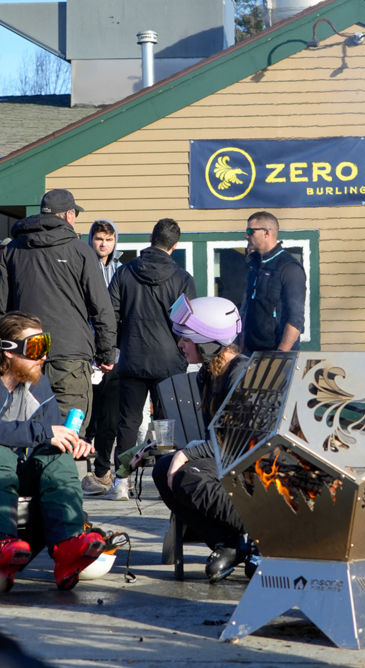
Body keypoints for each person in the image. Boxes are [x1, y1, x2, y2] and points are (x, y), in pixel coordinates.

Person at [0, 311, 107, 591]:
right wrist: (44, 433)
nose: (43, 356)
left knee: (56, 457)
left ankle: (68, 546)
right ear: (8, 351)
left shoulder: (38, 384)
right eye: (36, 348)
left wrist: (74, 441)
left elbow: (52, 431)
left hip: (8, 475)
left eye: (45, 346)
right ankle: (0, 541)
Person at [0, 188, 117, 441]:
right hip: (70, 354)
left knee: (26, 429)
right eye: (75, 214)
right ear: (68, 215)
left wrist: (1, 350)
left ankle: (27, 479)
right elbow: (101, 308)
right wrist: (106, 353)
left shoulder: (13, 250)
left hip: (26, 352)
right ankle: (65, 480)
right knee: (71, 433)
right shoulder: (80, 251)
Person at [152, 294, 254, 583]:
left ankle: (260, 531)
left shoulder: (240, 374)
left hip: (250, 464)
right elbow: (214, 436)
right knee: (163, 469)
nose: (181, 345)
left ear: (207, 343)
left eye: (186, 339)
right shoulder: (207, 374)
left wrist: (187, 454)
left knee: (186, 474)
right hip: (226, 458)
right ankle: (229, 543)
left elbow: (235, 439)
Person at [107, 218, 196, 500]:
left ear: (150, 237)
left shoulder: (124, 272)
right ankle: (164, 478)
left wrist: (114, 347)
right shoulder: (182, 278)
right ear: (175, 245)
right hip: (170, 360)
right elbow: (187, 323)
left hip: (133, 356)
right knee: (166, 422)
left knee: (128, 422)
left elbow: (110, 315)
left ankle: (121, 481)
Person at [81, 219, 123, 496]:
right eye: (99, 238)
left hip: (113, 352)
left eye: (108, 239)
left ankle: (102, 469)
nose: (103, 244)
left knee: (109, 415)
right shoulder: (82, 264)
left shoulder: (120, 271)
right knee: (85, 414)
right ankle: (77, 467)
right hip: (85, 349)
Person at [239, 211, 306, 354]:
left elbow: (296, 319)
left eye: (250, 231)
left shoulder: (289, 268)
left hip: (276, 353)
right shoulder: (254, 266)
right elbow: (246, 311)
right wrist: (241, 349)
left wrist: (279, 356)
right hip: (250, 353)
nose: (246, 235)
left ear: (266, 233)